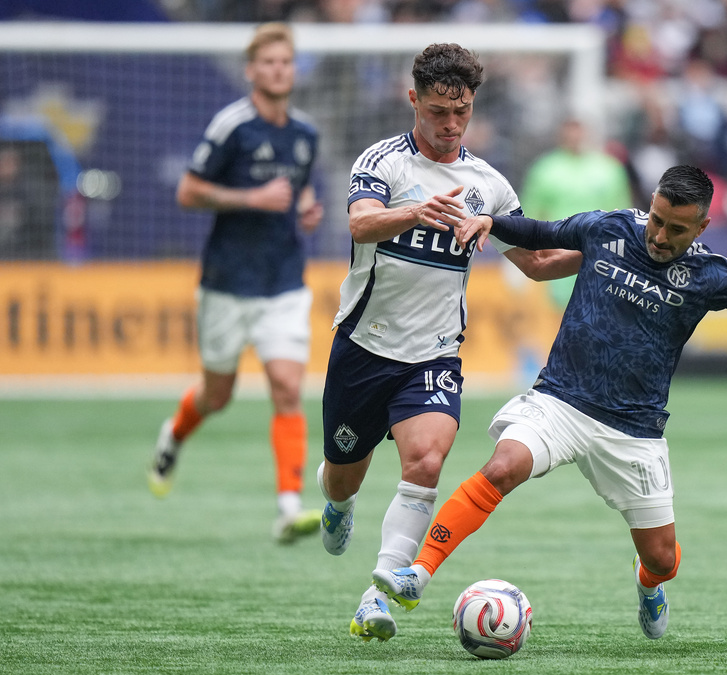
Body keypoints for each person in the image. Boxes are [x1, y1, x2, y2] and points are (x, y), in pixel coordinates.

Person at [372, 164, 727, 640]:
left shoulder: (712, 274)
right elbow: (542, 232)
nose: (660, 236)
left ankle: (648, 584)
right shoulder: (610, 227)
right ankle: (419, 573)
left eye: (676, 229)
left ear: (702, 227)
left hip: (633, 430)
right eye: (657, 220)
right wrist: (491, 221)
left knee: (663, 559)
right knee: (503, 466)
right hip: (561, 401)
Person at [318, 43, 580, 643]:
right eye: (439, 111)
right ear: (414, 100)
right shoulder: (383, 163)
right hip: (364, 347)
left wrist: (602, 254)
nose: (451, 124)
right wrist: (415, 213)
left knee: (427, 461)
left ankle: (378, 595)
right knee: (343, 475)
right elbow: (359, 222)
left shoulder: (488, 185)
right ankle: (337, 505)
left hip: (434, 353)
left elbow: (536, 262)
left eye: (461, 111)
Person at [148, 23, 325, 545]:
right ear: (251, 70)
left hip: (284, 281)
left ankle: (288, 507)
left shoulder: (306, 133)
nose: (279, 70)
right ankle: (174, 433)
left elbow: (299, 189)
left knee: (287, 388)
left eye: (285, 62)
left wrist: (307, 208)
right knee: (217, 395)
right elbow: (187, 191)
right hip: (227, 282)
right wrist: (251, 199)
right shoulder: (232, 126)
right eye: (269, 62)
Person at [519, 117, 632, 309]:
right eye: (570, 131)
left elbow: (622, 215)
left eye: (578, 131)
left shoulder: (609, 169)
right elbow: (530, 215)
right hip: (557, 255)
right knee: (558, 314)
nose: (575, 137)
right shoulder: (544, 169)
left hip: (600, 255)